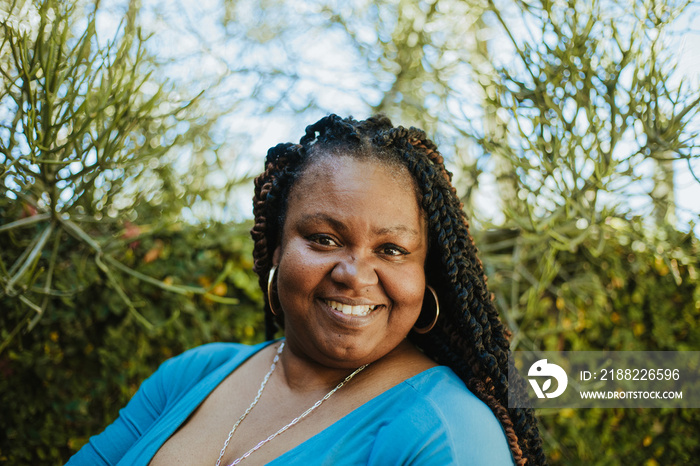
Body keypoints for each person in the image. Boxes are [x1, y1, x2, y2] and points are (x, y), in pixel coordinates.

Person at [66, 115, 546, 465]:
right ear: (277, 249)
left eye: (393, 249)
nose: (354, 274)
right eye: (323, 239)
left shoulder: (446, 432)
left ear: (427, 275)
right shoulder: (194, 373)